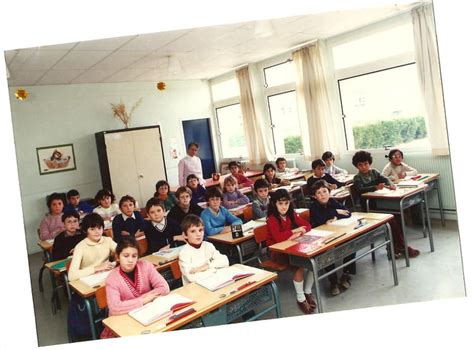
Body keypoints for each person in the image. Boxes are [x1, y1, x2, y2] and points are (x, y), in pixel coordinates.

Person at [352, 150, 420, 258]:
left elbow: (385, 179)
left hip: (380, 204)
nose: (364, 167)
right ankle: (401, 247)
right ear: (357, 166)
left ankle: (396, 247)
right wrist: (375, 187)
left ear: (369, 163)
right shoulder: (357, 178)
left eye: (366, 164)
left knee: (398, 216)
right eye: (360, 165)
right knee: (392, 219)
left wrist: (391, 184)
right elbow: (360, 189)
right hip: (370, 207)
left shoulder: (374, 172)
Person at [101, 237, 170, 339]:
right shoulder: (111, 278)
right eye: (126, 256)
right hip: (123, 320)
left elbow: (164, 288)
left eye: (134, 256)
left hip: (147, 314)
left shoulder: (146, 266)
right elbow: (115, 308)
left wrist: (144, 300)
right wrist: (143, 301)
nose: (130, 260)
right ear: (117, 257)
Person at [266, 189, 315, 314]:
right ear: (274, 204)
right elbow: (278, 238)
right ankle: (300, 298)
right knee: (299, 265)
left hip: (291, 247)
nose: (284, 207)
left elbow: (308, 226)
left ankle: (307, 291)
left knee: (313, 260)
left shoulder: (291, 214)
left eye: (286, 203)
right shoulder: (272, 219)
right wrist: (294, 232)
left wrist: (298, 232)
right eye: (280, 204)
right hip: (277, 251)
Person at [309, 180, 355, 295]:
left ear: (329, 193)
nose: (323, 195)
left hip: (335, 233)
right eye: (319, 193)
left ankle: (346, 274)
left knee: (351, 241)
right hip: (320, 238)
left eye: (324, 191)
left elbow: (348, 213)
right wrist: (335, 212)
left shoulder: (332, 202)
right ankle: (333, 281)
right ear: (314, 196)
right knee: (326, 252)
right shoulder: (313, 207)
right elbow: (320, 220)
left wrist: (334, 216)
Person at [178, 214, 229, 285]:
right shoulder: (184, 253)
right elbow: (192, 278)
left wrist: (204, 267)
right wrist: (214, 269)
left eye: (200, 230)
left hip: (214, 282)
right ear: (185, 235)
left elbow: (225, 261)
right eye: (193, 231)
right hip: (196, 289)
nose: (198, 234)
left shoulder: (208, 246)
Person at [68, 213, 117, 281]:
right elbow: (71, 276)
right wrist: (97, 268)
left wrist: (114, 263)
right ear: (85, 230)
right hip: (89, 280)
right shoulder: (80, 247)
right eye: (92, 229)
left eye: (99, 228)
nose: (97, 232)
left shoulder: (107, 240)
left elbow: (123, 251)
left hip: (106, 276)